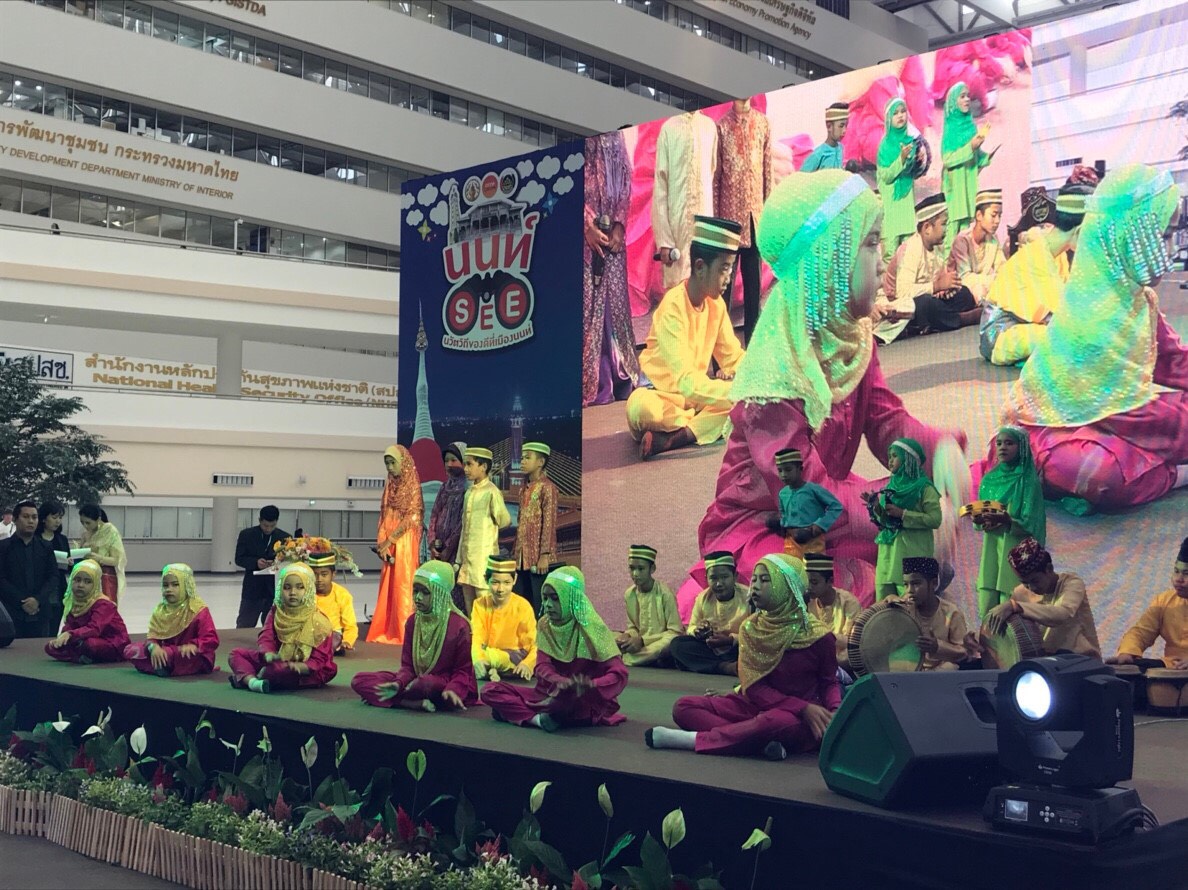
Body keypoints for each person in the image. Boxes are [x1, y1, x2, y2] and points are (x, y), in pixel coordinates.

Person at [692, 171, 962, 613]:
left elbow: (886, 419)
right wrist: (898, 511)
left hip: (829, 504)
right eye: (871, 243)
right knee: (821, 587)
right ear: (828, 260)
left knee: (910, 542)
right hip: (765, 517)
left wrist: (936, 451)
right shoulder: (775, 373)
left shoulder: (854, 336)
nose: (883, 261)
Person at [1002, 165, 1188, 511]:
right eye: (1160, 236)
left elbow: (1173, 361)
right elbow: (1130, 414)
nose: (1167, 251)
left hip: (1107, 424)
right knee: (1097, 473)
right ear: (1124, 236)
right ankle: (1174, 473)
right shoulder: (1092, 316)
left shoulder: (1137, 299)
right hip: (1051, 430)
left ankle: (1146, 464)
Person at [647, 553, 839, 760]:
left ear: (788, 587)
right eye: (754, 579)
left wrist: (834, 712)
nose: (755, 586)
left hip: (795, 714)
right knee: (684, 707)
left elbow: (829, 681)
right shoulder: (751, 628)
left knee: (774, 722)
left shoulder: (819, 636)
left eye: (765, 580)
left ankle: (694, 740)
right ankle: (756, 741)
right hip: (754, 704)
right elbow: (754, 688)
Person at [625, 216, 746, 459]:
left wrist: (760, 379)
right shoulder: (673, 307)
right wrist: (739, 392)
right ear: (700, 267)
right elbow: (687, 383)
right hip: (661, 397)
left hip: (693, 401)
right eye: (724, 269)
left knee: (741, 401)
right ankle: (693, 428)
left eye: (731, 269)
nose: (729, 278)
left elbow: (733, 358)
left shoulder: (716, 306)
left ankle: (676, 437)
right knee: (644, 410)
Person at [483, 566, 628, 732]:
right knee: (490, 690)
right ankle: (537, 720)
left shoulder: (593, 628)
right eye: (545, 598)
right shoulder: (545, 624)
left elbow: (619, 674)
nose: (548, 605)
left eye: (555, 598)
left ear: (571, 598)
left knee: (569, 703)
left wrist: (591, 685)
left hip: (581, 698)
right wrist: (560, 682)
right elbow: (541, 666)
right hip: (547, 693)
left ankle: (518, 714)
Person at [980, 186, 1088, 366]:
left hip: (1028, 324)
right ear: (1078, 231)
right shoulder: (1034, 257)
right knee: (1070, 338)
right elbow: (1062, 317)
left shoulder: (1057, 255)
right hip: (999, 334)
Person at [352, 560, 477, 712]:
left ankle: (399, 699)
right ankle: (407, 702)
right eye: (415, 591)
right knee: (359, 680)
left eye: (425, 592)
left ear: (440, 593)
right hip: (414, 680)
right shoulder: (413, 621)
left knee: (426, 684)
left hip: (444, 684)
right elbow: (408, 667)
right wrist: (398, 683)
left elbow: (463, 671)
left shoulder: (460, 625)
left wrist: (453, 689)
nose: (418, 597)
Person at [583, 130, 641, 406]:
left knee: (614, 305)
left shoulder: (616, 137)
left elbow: (626, 177)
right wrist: (587, 225)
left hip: (613, 237)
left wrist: (619, 223)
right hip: (584, 239)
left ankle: (620, 377)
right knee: (589, 308)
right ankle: (595, 381)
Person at [877, 194, 978, 343]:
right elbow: (902, 292)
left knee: (964, 294)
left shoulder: (937, 248)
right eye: (943, 224)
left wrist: (947, 290)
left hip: (928, 301)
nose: (946, 229)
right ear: (927, 228)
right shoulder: (911, 248)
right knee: (926, 303)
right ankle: (961, 319)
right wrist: (936, 286)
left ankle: (939, 321)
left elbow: (939, 285)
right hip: (901, 305)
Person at [228, 562, 338, 693]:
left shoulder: (320, 621)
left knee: (276, 671)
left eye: (300, 587)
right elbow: (266, 636)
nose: (293, 593)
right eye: (287, 588)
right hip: (276, 659)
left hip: (303, 669)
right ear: (280, 589)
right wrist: (268, 653)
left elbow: (319, 660)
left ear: (309, 589)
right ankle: (253, 682)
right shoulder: (276, 611)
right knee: (236, 654)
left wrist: (300, 667)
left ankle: (247, 677)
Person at [972, 426, 1046, 619]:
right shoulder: (989, 480)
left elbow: (1032, 523)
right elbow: (980, 517)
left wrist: (1007, 520)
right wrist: (979, 520)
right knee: (986, 608)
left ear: (1022, 448)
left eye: (1009, 443)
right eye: (999, 443)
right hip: (991, 552)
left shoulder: (1028, 481)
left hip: (1016, 554)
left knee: (1011, 611)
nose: (1002, 447)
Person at [715, 96, 773, 338]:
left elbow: (767, 174)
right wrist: (717, 223)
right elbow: (716, 179)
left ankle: (752, 348)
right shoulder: (722, 127)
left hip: (755, 220)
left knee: (753, 293)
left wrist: (767, 216)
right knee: (723, 293)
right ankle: (720, 351)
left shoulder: (762, 124)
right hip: (729, 223)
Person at [984, 537, 1100, 657]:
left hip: (1081, 659)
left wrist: (1016, 607)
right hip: (1045, 662)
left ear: (1049, 568)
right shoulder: (1020, 593)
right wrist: (980, 638)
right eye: (1025, 582)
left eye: (1035, 581)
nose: (1031, 588)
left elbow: (1062, 614)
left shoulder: (1072, 583)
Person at [863, 438, 943, 601]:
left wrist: (904, 514)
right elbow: (886, 522)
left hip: (912, 557)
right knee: (884, 607)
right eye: (889, 456)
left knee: (910, 606)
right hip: (887, 556)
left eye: (894, 456)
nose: (890, 461)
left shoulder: (924, 487)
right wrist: (876, 506)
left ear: (908, 459)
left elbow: (935, 519)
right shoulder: (890, 487)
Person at [652, 110, 719, 291]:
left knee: (703, 290)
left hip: (702, 227)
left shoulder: (709, 127)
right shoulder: (669, 128)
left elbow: (710, 175)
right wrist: (665, 241)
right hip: (677, 229)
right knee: (677, 292)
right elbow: (660, 188)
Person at [368, 444, 423, 644]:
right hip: (388, 542)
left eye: (393, 463)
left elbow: (413, 517)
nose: (390, 467)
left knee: (402, 582)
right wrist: (382, 542)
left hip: (404, 540)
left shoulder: (413, 485)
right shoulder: (390, 486)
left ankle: (403, 629)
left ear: (404, 463)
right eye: (387, 463)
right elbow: (384, 514)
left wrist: (391, 539)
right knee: (388, 584)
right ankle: (386, 628)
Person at [124, 564, 219, 677]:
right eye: (165, 585)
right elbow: (152, 637)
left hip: (189, 655)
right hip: (165, 652)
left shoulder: (198, 610)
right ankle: (163, 665)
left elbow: (211, 639)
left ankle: (160, 666)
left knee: (170, 654)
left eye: (175, 585)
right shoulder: (160, 610)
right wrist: (154, 647)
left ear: (186, 586)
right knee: (130, 650)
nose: (169, 589)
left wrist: (194, 645)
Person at [1108, 537, 1188, 669]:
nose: (1178, 579)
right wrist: (1127, 652)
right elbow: (1140, 632)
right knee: (1121, 670)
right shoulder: (1164, 601)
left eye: (1186, 573)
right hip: (1171, 666)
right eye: (1176, 571)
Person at [453, 446, 511, 617]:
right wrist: (458, 559)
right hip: (467, 558)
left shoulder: (492, 492)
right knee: (470, 607)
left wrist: (488, 531)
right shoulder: (469, 492)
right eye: (465, 464)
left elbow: (505, 521)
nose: (465, 469)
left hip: (483, 558)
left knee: (486, 603)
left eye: (469, 464)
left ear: (483, 466)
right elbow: (464, 528)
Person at [670, 551, 749, 675]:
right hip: (712, 650)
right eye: (713, 578)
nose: (719, 583)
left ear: (735, 576)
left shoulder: (749, 598)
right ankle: (725, 667)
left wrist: (730, 640)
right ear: (706, 579)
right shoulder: (703, 598)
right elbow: (691, 627)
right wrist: (698, 632)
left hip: (738, 648)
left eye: (724, 577)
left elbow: (755, 635)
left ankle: (710, 665)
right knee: (678, 644)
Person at [884, 557, 969, 671]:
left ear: (934, 583)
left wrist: (937, 647)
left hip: (940, 673)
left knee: (951, 667)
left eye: (916, 584)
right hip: (909, 670)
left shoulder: (952, 613)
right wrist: (888, 604)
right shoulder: (904, 608)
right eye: (906, 584)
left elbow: (964, 653)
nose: (909, 590)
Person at [940, 82, 993, 253]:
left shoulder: (970, 125)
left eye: (968, 96)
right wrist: (971, 147)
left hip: (968, 188)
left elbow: (975, 155)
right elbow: (948, 159)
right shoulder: (951, 127)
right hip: (954, 190)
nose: (967, 99)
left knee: (964, 236)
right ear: (952, 102)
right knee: (950, 236)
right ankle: (946, 267)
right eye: (962, 96)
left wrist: (985, 157)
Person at [45, 559, 129, 663]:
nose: (80, 585)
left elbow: (95, 629)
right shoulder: (72, 601)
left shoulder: (103, 604)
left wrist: (70, 634)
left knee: (90, 644)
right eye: (77, 580)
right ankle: (82, 656)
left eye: (87, 582)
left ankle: (79, 655)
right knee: (50, 647)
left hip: (110, 641)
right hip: (81, 638)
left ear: (96, 584)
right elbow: (70, 625)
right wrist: (61, 638)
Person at [766, 448, 843, 558]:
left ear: (800, 469)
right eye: (780, 471)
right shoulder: (783, 493)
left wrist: (819, 525)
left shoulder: (813, 489)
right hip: (791, 542)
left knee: (814, 567)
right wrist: (780, 524)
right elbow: (784, 515)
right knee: (792, 567)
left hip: (812, 540)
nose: (784, 475)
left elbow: (836, 506)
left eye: (788, 470)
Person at [471, 555, 537, 682]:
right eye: (495, 582)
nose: (501, 589)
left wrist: (527, 664)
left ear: (514, 579)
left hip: (515, 657)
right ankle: (492, 669)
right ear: (486, 579)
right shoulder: (479, 604)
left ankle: (493, 668)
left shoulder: (523, 606)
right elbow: (476, 638)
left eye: (506, 583)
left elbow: (533, 645)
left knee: (496, 657)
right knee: (470, 654)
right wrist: (478, 659)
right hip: (486, 653)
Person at [616, 544, 684, 667]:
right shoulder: (629, 594)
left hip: (659, 642)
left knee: (673, 642)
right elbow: (633, 627)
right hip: (638, 642)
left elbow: (675, 631)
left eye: (641, 569)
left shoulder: (665, 593)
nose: (635, 574)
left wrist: (643, 641)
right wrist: (627, 636)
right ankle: (633, 657)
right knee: (609, 636)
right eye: (632, 568)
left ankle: (622, 658)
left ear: (652, 569)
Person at [0, 501, 57, 637]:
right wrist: (22, 602)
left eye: (34, 517)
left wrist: (37, 600)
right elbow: (1, 579)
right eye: (25, 517)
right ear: (15, 519)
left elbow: (53, 577)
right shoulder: (3, 547)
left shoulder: (46, 547)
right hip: (10, 613)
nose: (31, 521)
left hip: (41, 612)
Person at [513, 441, 557, 614]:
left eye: (527, 458)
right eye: (522, 458)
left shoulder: (548, 488)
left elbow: (549, 523)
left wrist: (544, 555)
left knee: (539, 604)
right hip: (521, 559)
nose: (522, 461)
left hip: (538, 559)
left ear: (540, 462)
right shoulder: (523, 489)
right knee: (521, 604)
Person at [876, 97, 918, 263]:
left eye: (903, 111)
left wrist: (910, 158)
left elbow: (912, 170)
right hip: (891, 211)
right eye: (895, 113)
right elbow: (886, 176)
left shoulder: (911, 143)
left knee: (909, 258)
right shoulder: (884, 146)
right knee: (890, 259)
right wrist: (901, 159)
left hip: (906, 211)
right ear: (888, 118)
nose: (900, 116)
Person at [804, 554, 861, 673]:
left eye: (814, 582)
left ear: (830, 581)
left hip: (841, 662)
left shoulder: (849, 603)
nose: (809, 587)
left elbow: (853, 643)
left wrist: (822, 635)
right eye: (806, 582)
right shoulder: (806, 601)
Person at [947, 188, 1005, 304]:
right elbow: (965, 278)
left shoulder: (993, 240)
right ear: (979, 215)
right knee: (980, 291)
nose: (997, 221)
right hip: (960, 295)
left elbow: (1002, 269)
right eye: (993, 215)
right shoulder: (962, 240)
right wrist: (994, 279)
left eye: (1000, 216)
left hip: (986, 288)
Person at [234, 506, 287, 629]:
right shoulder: (246, 535)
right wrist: (255, 562)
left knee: (272, 627)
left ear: (276, 522)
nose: (268, 529)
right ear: (259, 520)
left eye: (272, 526)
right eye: (265, 525)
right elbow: (239, 558)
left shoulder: (284, 538)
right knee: (245, 624)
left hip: (273, 589)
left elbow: (287, 562)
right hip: (252, 589)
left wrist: (276, 563)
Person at [309, 544, 359, 656]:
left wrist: (347, 641)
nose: (319, 579)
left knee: (333, 640)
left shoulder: (342, 595)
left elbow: (350, 625)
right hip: (308, 634)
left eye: (324, 574)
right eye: (315, 575)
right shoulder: (305, 592)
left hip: (332, 635)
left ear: (333, 575)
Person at [427, 442, 467, 566]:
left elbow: (461, 523)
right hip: (438, 547)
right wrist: (432, 542)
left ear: (464, 462)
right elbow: (435, 513)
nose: (449, 464)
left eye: (453, 460)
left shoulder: (468, 489)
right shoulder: (445, 487)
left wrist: (448, 548)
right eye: (446, 461)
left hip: (456, 549)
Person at [78, 505, 126, 604]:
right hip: (87, 575)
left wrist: (99, 558)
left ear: (98, 519)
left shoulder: (110, 531)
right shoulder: (85, 534)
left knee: (104, 607)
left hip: (105, 577)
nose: (85, 526)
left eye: (88, 523)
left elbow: (117, 560)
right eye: (82, 522)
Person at [36, 501, 70, 631]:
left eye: (60, 518)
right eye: (54, 517)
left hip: (58, 588)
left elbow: (68, 566)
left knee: (54, 626)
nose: (58, 521)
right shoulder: (35, 538)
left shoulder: (62, 539)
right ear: (44, 518)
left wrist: (69, 562)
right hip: (39, 587)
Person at [801, 103, 850, 172]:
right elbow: (801, 177)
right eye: (841, 126)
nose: (844, 130)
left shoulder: (841, 149)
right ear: (829, 126)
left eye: (846, 126)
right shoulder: (818, 154)